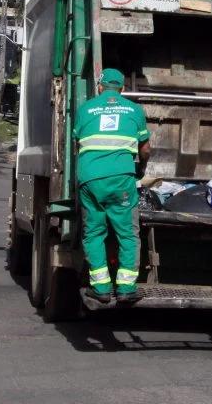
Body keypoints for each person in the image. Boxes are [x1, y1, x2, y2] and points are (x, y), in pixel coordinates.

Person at [74, 68, 150, 304]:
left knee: (94, 233)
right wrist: (141, 168)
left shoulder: (85, 109)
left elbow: (78, 143)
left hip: (90, 180)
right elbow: (145, 149)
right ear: (122, 88)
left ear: (99, 86)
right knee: (127, 234)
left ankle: (101, 288)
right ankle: (126, 289)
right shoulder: (135, 110)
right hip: (121, 180)